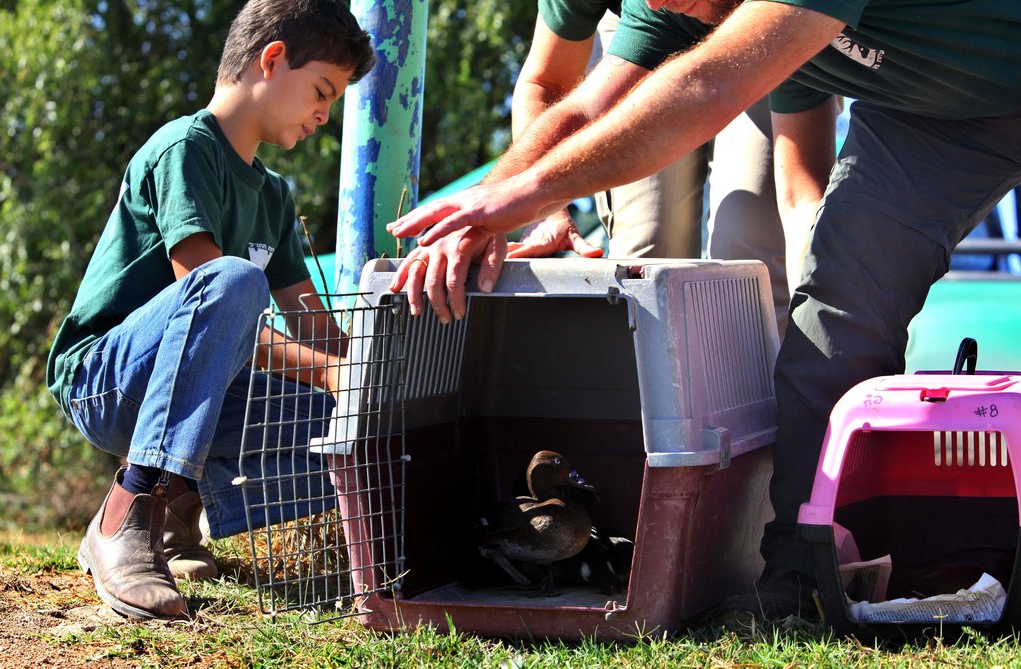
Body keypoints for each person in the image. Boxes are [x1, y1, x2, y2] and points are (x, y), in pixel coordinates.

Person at [388, 0, 1021, 620]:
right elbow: (587, 105)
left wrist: (517, 196)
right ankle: (800, 575)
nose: (653, 5)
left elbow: (705, 84)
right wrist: (492, 204)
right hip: (932, 119)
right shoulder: (660, 5)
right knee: (835, 314)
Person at [46, 0, 374, 620]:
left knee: (360, 417)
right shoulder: (186, 149)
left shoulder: (275, 197)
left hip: (197, 389)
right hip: (106, 381)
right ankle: (130, 505)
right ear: (271, 59)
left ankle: (174, 517)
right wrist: (329, 371)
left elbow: (316, 331)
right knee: (234, 282)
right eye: (322, 92)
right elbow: (211, 301)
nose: (324, 116)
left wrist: (372, 375)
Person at [509, 2, 796, 337]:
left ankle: (761, 386)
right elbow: (545, 82)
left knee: (747, 253)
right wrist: (542, 208)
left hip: (763, 19)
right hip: (641, 34)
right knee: (644, 268)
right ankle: (644, 388)